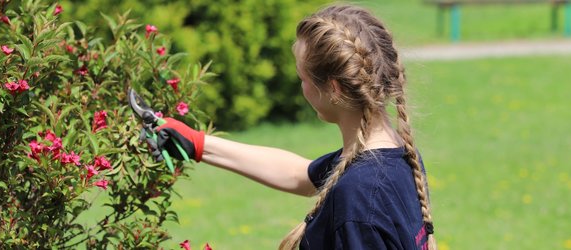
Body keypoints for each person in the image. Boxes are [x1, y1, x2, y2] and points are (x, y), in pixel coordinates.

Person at [151, 4, 436, 250]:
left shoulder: (358, 196)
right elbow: (299, 174)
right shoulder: (394, 156)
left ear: (333, 89)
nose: (302, 88)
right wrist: (197, 143)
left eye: (303, 78)